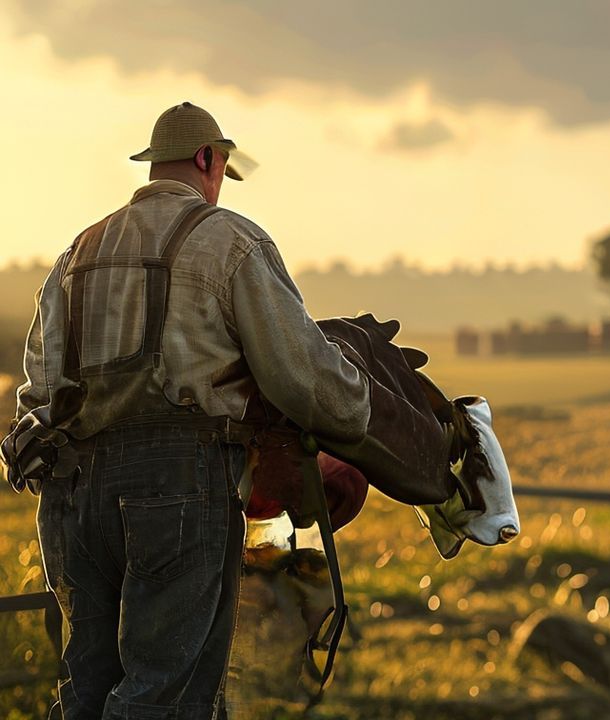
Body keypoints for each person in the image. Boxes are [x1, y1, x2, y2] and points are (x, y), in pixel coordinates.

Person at [1, 102, 372, 719]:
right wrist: (359, 409)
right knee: (166, 696)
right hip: (178, 488)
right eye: (222, 167)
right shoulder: (231, 241)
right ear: (207, 158)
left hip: (71, 495)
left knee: (86, 691)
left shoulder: (76, 253)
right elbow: (301, 374)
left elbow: (38, 393)